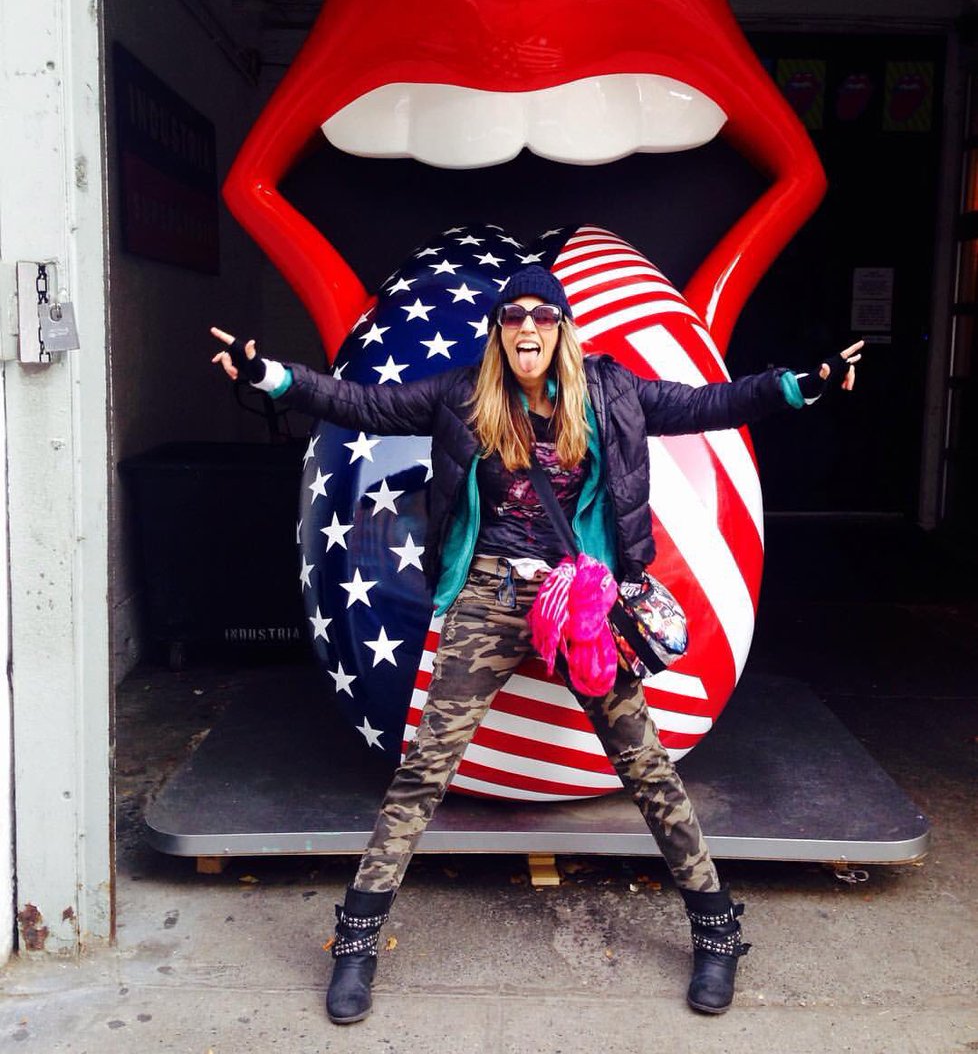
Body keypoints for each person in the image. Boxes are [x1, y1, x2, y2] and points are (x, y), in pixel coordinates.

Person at [211, 266, 862, 1024]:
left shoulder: (610, 391)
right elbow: (362, 403)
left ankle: (717, 931)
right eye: (514, 315)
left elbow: (710, 403)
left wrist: (799, 386)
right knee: (424, 771)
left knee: (645, 764)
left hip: (579, 602)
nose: (528, 327)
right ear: (499, 329)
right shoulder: (462, 394)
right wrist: (270, 376)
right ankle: (356, 942)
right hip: (488, 596)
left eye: (542, 316)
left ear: (561, 327)